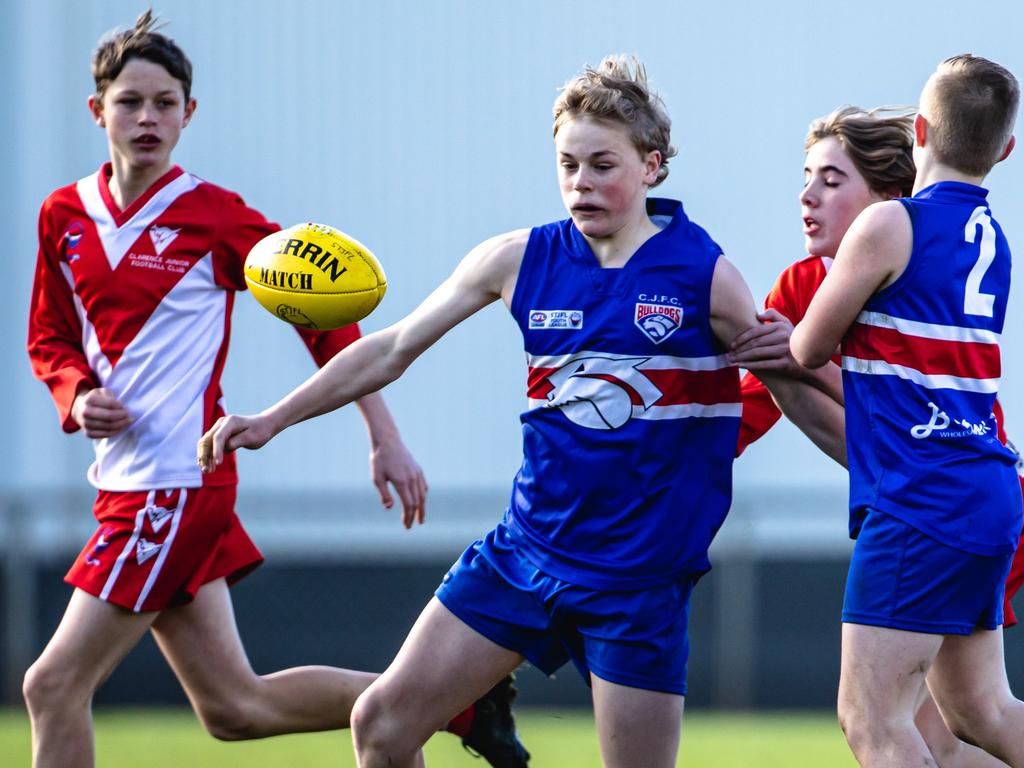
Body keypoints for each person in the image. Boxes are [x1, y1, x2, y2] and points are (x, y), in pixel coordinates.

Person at [198, 54, 843, 768]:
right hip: (525, 555)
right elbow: (391, 347)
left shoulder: (705, 276)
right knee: (381, 725)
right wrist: (270, 419)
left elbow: (793, 383)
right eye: (567, 164)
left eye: (603, 165)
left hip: (638, 582)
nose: (581, 183)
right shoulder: (516, 260)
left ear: (652, 167)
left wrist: (880, 449)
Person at [24, 11, 526, 768]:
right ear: (97, 111)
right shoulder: (63, 215)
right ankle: (448, 703)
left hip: (176, 484)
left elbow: (324, 321)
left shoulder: (216, 216)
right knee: (235, 708)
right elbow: (48, 338)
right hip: (125, 482)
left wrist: (381, 433)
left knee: (51, 684)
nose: (148, 118)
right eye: (131, 102)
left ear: (189, 114)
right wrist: (75, 394)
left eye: (166, 103)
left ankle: (433, 700)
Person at [731, 104, 1024, 767]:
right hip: (968, 502)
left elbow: (913, 412)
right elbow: (756, 405)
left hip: (939, 504)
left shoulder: (908, 249)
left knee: (876, 723)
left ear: (891, 197)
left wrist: (794, 362)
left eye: (832, 180)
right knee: (965, 725)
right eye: (806, 176)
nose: (807, 196)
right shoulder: (807, 284)